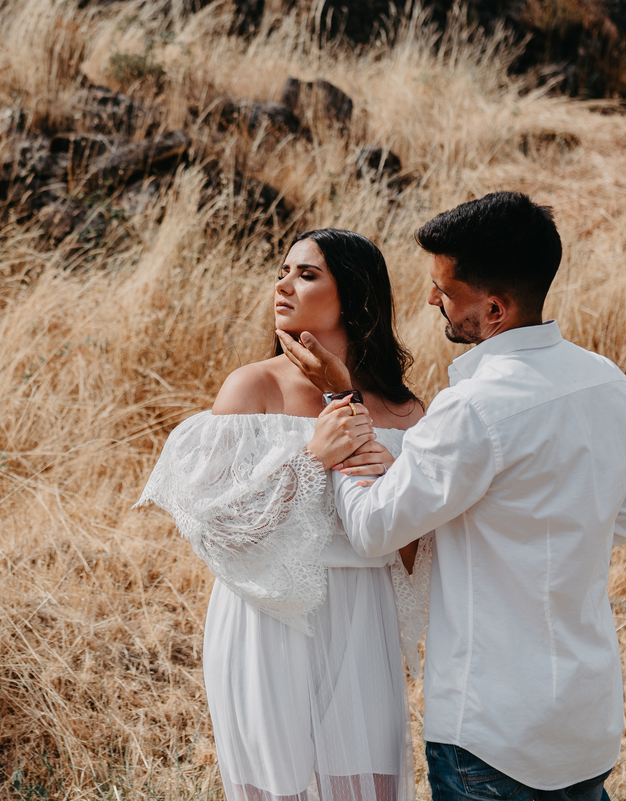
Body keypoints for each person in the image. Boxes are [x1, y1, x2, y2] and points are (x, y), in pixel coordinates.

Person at [284, 193, 626, 801]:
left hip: (493, 729)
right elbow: (609, 525)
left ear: (495, 308)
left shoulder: (473, 409)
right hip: (587, 717)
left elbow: (373, 528)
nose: (429, 299)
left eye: (445, 291)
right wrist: (411, 470)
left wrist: (341, 404)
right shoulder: (611, 386)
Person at [138, 228, 429, 801]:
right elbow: (218, 525)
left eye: (307, 273)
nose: (283, 284)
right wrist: (311, 460)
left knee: (365, 787)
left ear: (356, 296)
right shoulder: (252, 387)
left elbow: (418, 545)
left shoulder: (405, 410)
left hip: (362, 617)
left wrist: (373, 456)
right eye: (282, 270)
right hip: (266, 613)